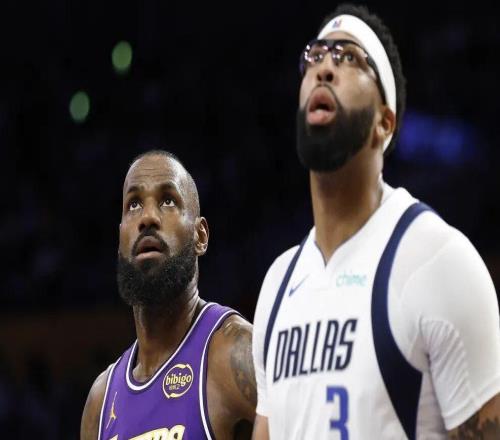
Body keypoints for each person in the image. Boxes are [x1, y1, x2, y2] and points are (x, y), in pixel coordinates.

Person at [252, 4, 500, 439]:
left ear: (384, 123)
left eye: (349, 58)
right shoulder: (277, 284)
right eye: (315, 56)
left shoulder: (438, 261)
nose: (324, 69)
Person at [81, 150, 256, 440]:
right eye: (134, 204)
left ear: (200, 236)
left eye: (167, 201)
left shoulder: (233, 354)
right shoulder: (99, 404)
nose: (147, 217)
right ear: (120, 239)